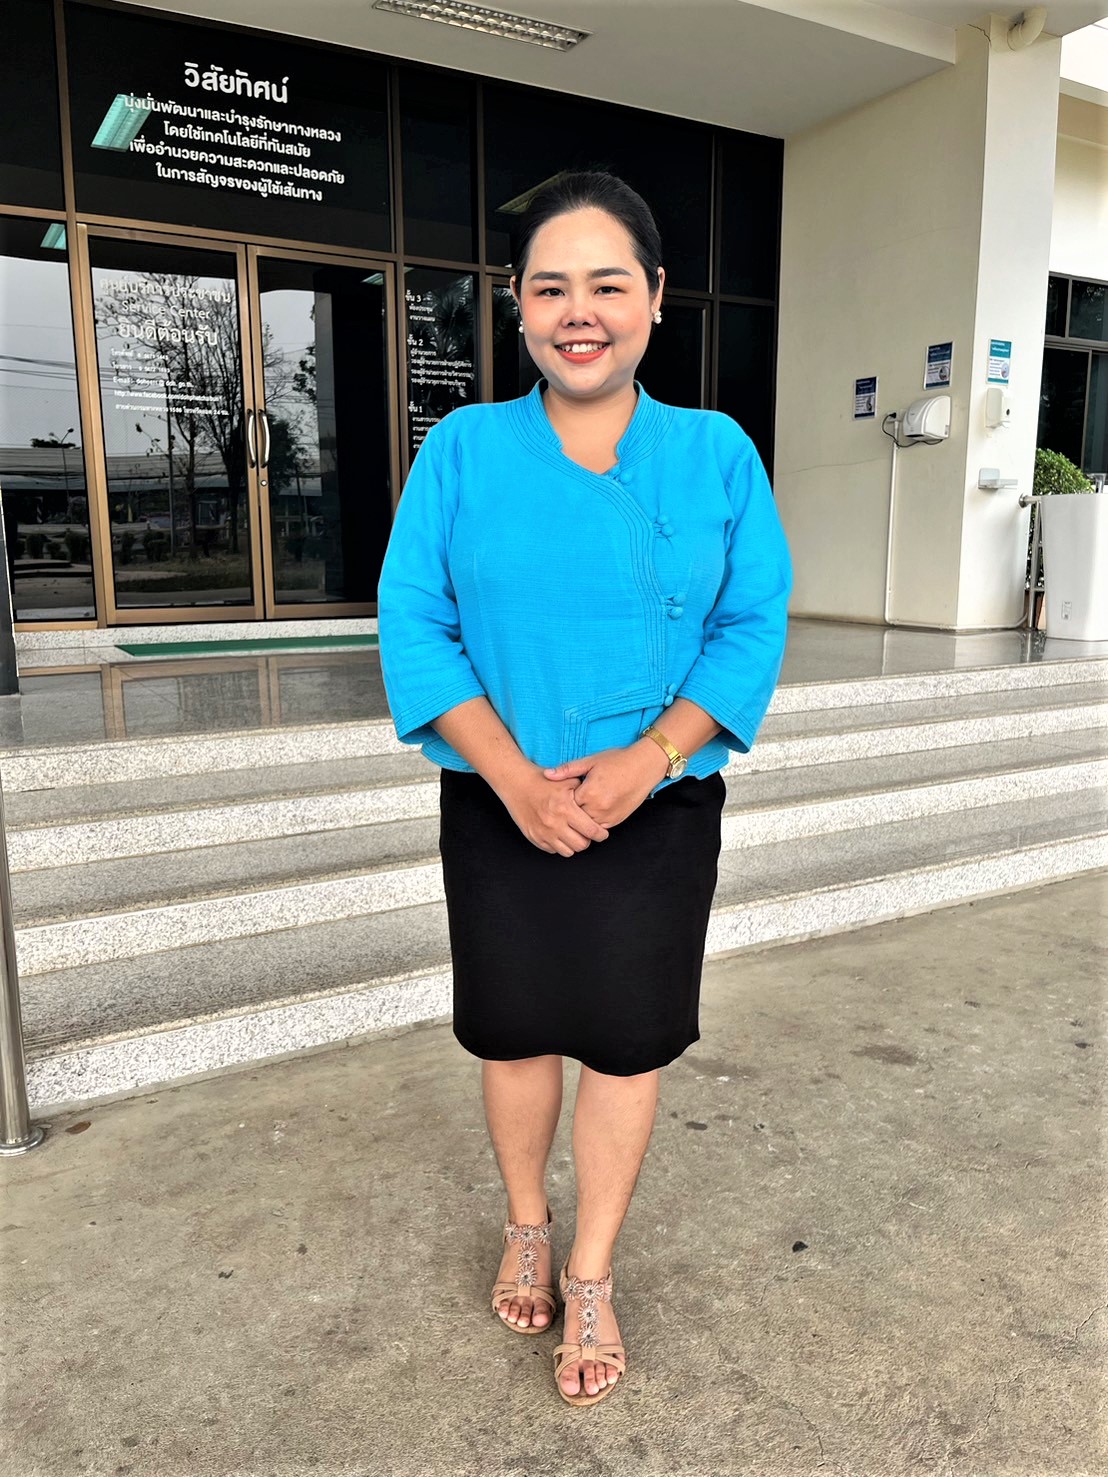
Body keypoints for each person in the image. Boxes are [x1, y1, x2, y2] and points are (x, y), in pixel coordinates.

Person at [377, 171, 792, 1408]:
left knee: (622, 1040)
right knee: (513, 1029)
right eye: (550, 287)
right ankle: (526, 1225)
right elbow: (415, 618)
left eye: (607, 285)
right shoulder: (462, 449)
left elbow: (750, 623)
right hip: (498, 798)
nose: (579, 313)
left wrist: (649, 758)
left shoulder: (715, 454)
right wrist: (512, 778)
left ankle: (593, 1268)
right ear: (517, 306)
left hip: (655, 807)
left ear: (654, 298)